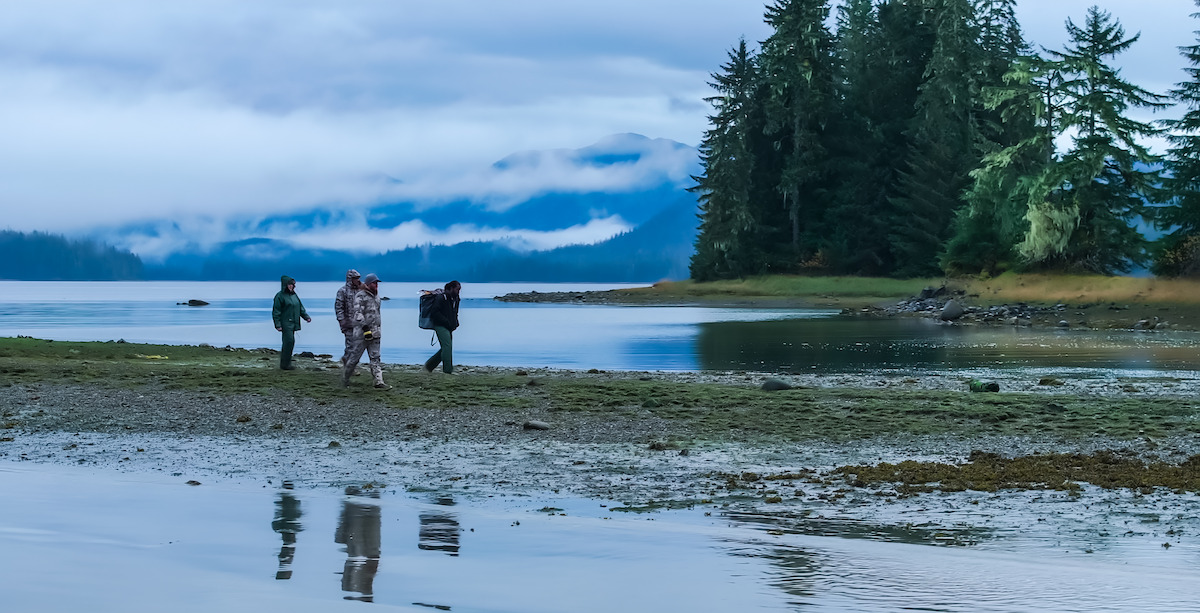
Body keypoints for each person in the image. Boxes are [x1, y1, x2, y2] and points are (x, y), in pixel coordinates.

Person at [343, 273, 388, 389]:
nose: (376, 285)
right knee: (354, 359)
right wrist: (365, 328)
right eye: (374, 283)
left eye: (377, 283)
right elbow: (357, 313)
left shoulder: (377, 297)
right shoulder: (360, 296)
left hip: (376, 333)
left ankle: (378, 381)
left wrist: (375, 330)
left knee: (375, 358)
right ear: (368, 284)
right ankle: (345, 379)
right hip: (361, 334)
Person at [272, 275, 311, 370]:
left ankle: (286, 363)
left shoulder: (294, 295)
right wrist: (278, 325)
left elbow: (300, 307)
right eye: (289, 284)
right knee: (289, 341)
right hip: (285, 323)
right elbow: (276, 311)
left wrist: (306, 317)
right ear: (285, 285)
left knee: (290, 343)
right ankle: (285, 364)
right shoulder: (279, 296)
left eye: (292, 285)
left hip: (294, 322)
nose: (291, 286)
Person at [422, 280, 461, 375]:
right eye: (457, 289)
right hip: (440, 325)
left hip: (449, 326)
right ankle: (447, 370)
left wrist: (455, 323)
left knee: (446, 347)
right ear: (450, 288)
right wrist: (446, 322)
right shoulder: (440, 298)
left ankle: (428, 366)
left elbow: (455, 312)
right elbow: (435, 313)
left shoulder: (455, 299)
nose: (458, 292)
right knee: (447, 346)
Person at [334, 269, 362, 365]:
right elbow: (339, 307)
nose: (358, 280)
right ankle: (349, 365)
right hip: (348, 323)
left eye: (358, 278)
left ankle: (348, 362)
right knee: (351, 346)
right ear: (350, 279)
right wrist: (342, 321)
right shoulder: (342, 291)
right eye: (355, 278)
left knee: (357, 346)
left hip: (360, 324)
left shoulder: (360, 290)